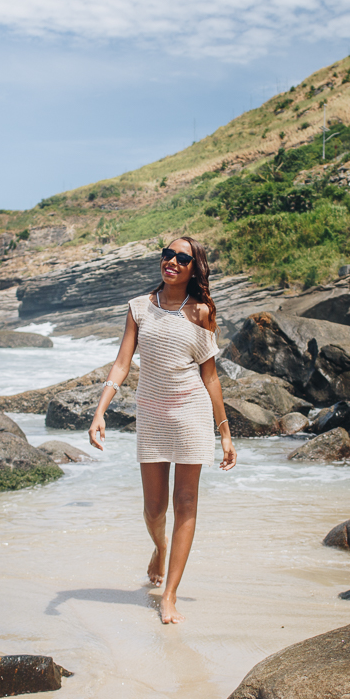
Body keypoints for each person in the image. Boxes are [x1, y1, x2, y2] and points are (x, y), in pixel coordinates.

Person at [88, 236, 237, 624]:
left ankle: (169, 595)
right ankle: (159, 546)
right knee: (154, 509)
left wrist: (224, 432)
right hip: (151, 415)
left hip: (191, 413)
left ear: (194, 268)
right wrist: (100, 411)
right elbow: (122, 363)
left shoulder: (202, 312)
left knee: (185, 502)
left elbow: (211, 376)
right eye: (167, 254)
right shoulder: (139, 308)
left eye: (182, 258)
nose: (171, 261)